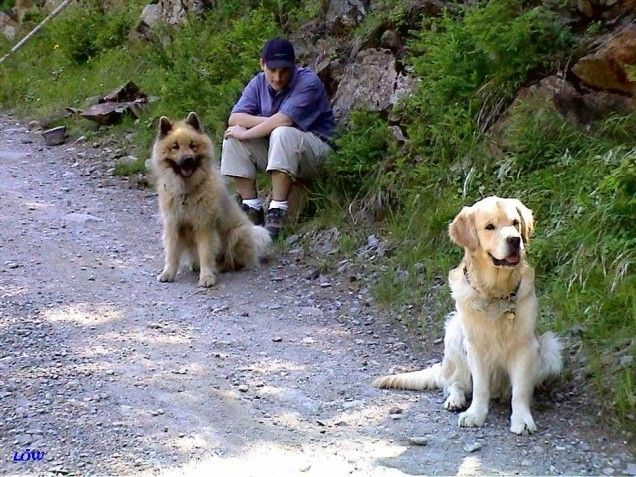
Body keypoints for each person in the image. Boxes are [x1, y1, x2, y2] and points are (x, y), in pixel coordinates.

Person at [221, 37, 335, 238]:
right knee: (233, 137)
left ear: (294, 66)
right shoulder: (258, 83)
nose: (278, 77)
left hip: (316, 153)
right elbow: (235, 117)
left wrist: (248, 131)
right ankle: (251, 208)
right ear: (262, 64)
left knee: (281, 132)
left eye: (284, 70)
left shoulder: (308, 82)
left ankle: (277, 211)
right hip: (281, 151)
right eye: (272, 70)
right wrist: (260, 125)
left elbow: (284, 121)